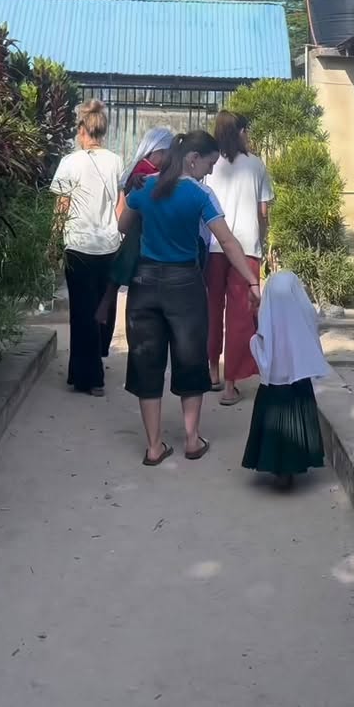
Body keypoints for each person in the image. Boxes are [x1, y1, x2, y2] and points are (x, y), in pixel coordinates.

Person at [119, 130, 261, 466]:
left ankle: (154, 447)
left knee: (146, 361)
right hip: (185, 284)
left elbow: (123, 226)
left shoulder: (144, 186)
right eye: (209, 164)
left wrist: (136, 198)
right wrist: (252, 280)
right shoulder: (200, 194)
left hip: (144, 283)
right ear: (193, 159)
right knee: (190, 359)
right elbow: (227, 242)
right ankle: (192, 440)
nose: (210, 171)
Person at [50, 99, 124, 396]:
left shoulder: (70, 162)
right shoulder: (116, 161)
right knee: (103, 308)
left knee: (81, 312)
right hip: (108, 245)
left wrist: (53, 240)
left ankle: (89, 377)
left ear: (82, 129)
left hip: (78, 245)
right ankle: (91, 366)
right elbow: (120, 204)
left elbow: (62, 205)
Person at [205, 111, 274, 405]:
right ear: (242, 132)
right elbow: (263, 211)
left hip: (213, 246)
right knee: (239, 316)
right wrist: (264, 239)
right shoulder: (256, 165)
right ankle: (231, 384)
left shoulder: (209, 165)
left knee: (212, 310)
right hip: (245, 249)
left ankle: (212, 372)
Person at [242, 271, 330, 491]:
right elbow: (312, 326)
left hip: (272, 387)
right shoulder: (304, 316)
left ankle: (275, 466)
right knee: (299, 423)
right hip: (299, 383)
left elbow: (257, 345)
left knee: (269, 426)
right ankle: (293, 466)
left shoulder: (266, 320)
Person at [95, 127, 174, 329]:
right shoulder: (142, 169)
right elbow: (130, 192)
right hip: (140, 225)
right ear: (157, 151)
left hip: (153, 225)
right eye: (167, 153)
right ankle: (107, 301)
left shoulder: (159, 170)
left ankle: (108, 300)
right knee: (127, 256)